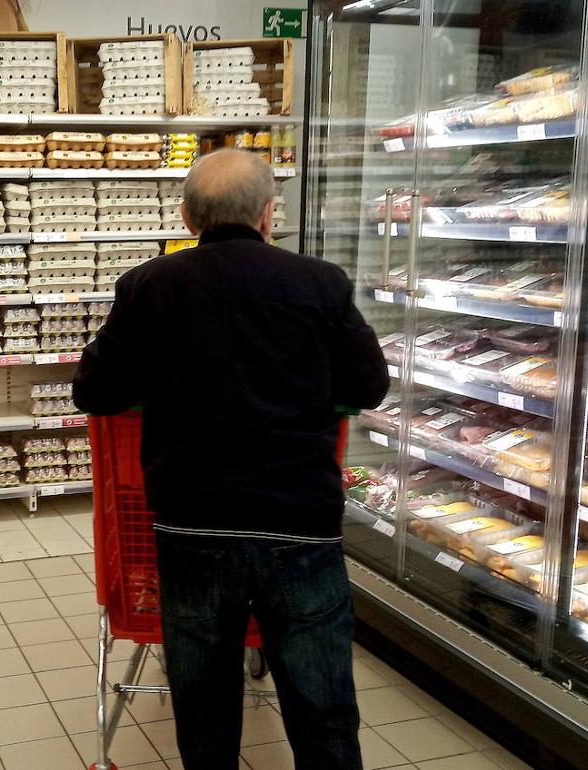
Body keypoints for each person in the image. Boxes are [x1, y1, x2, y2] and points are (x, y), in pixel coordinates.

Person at [72, 148, 389, 770]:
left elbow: (95, 392)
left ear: (188, 218)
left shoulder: (147, 285)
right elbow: (367, 387)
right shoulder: (320, 282)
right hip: (299, 521)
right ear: (270, 214)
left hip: (192, 522)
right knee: (321, 703)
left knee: (203, 701)